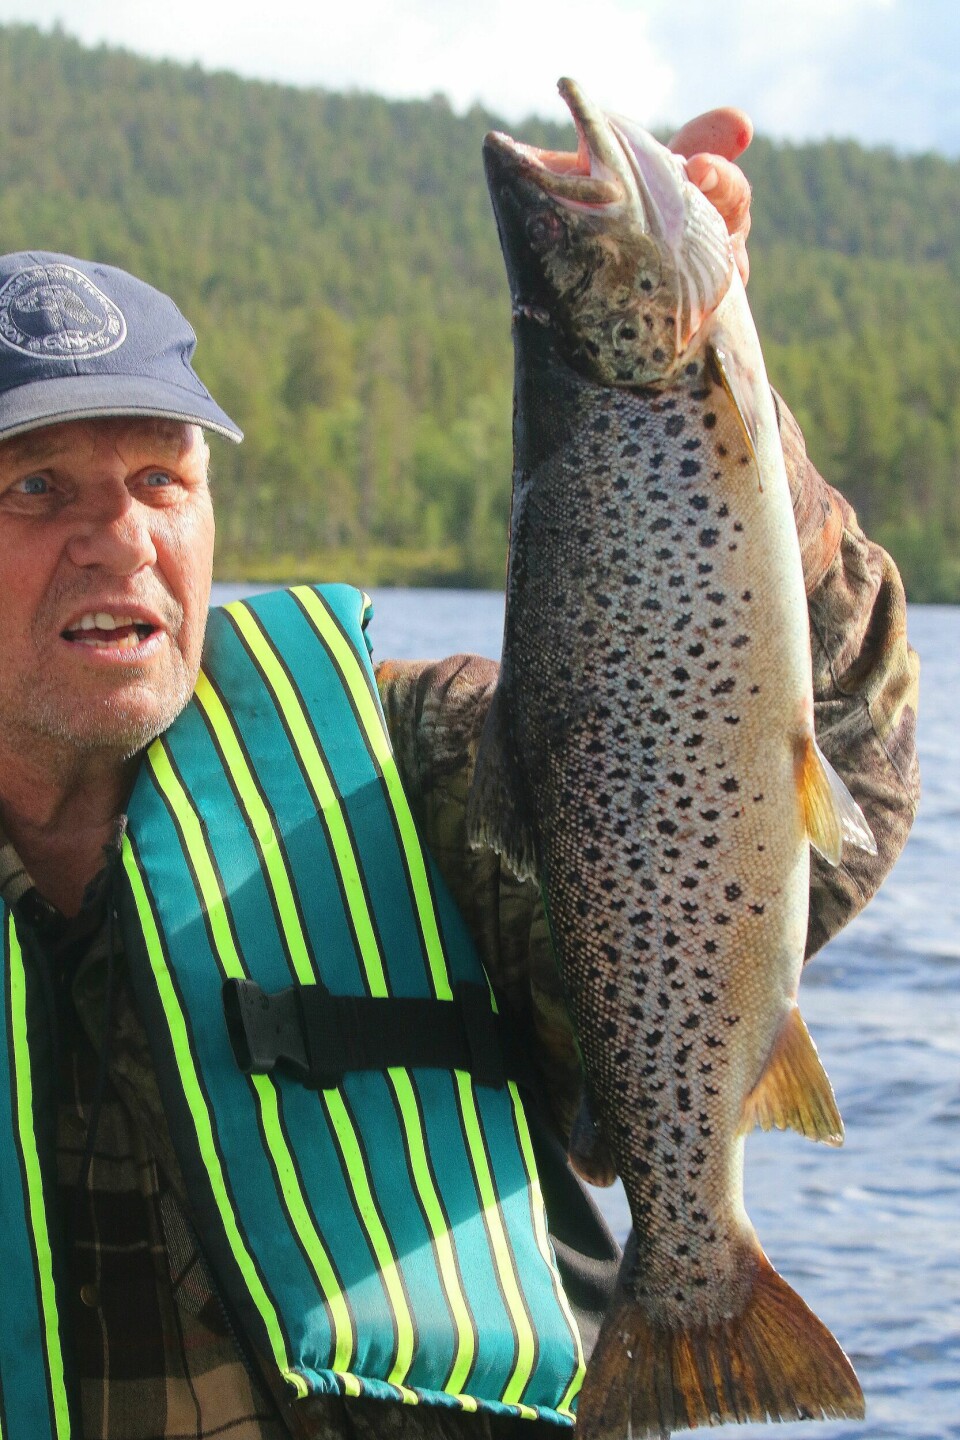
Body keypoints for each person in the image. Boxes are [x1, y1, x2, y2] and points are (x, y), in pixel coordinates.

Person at [0, 109, 919, 1440]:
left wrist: (720, 423)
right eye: (37, 489)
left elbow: (838, 759)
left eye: (162, 477)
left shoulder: (409, 777)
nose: (123, 540)